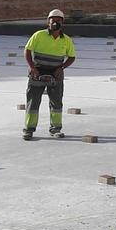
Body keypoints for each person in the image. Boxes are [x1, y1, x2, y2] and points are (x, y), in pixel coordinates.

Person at [23, 9, 77, 139]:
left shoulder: (66, 40)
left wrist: (62, 68)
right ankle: (29, 129)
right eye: (53, 20)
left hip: (56, 74)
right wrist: (32, 67)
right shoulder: (39, 35)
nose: (55, 22)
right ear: (48, 21)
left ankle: (55, 129)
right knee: (33, 102)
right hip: (38, 72)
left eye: (58, 20)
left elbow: (72, 57)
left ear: (62, 22)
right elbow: (27, 51)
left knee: (56, 102)